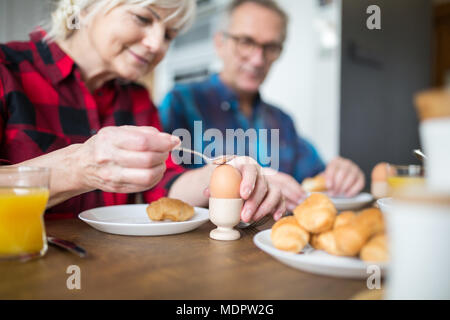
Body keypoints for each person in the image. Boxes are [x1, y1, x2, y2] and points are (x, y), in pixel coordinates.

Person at [0, 0, 285, 223]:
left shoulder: (137, 98)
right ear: (85, 8)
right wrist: (80, 166)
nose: (156, 45)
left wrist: (225, 173)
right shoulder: (6, 69)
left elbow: (164, 186)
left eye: (169, 35)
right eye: (143, 18)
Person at [160, 0, 365, 212]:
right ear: (220, 43)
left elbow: (314, 181)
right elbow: (159, 189)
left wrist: (338, 176)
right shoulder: (180, 103)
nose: (258, 59)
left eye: (270, 47)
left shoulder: (282, 121)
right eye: (246, 41)